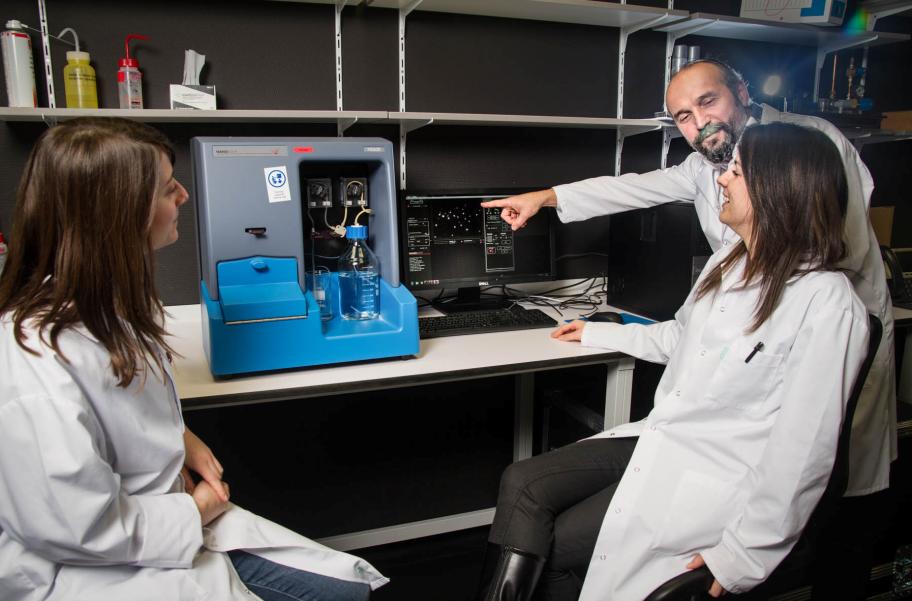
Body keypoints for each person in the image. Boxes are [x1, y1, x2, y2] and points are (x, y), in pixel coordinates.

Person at [477, 123, 871, 601]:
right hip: (669, 437)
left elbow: (804, 453)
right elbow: (682, 338)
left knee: (554, 548)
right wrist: (598, 331)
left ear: (778, 189)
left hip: (717, 474)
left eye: (737, 172)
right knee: (521, 481)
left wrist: (744, 555)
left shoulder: (826, 303)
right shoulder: (729, 262)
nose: (721, 179)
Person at [0, 117, 387, 601]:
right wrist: (198, 508)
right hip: (98, 570)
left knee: (349, 588)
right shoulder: (34, 360)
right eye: (168, 188)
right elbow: (78, 528)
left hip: (160, 525)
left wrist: (178, 436)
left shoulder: (107, 304)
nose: (184, 196)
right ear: (120, 213)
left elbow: (118, 405)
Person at [481, 60, 895, 503]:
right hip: (748, 344)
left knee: (817, 474)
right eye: (684, 116)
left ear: (741, 92)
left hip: (815, 327)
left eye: (708, 101)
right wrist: (546, 198)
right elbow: (631, 189)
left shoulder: (807, 145)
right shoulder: (704, 170)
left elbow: (836, 247)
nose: (700, 123)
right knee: (753, 477)